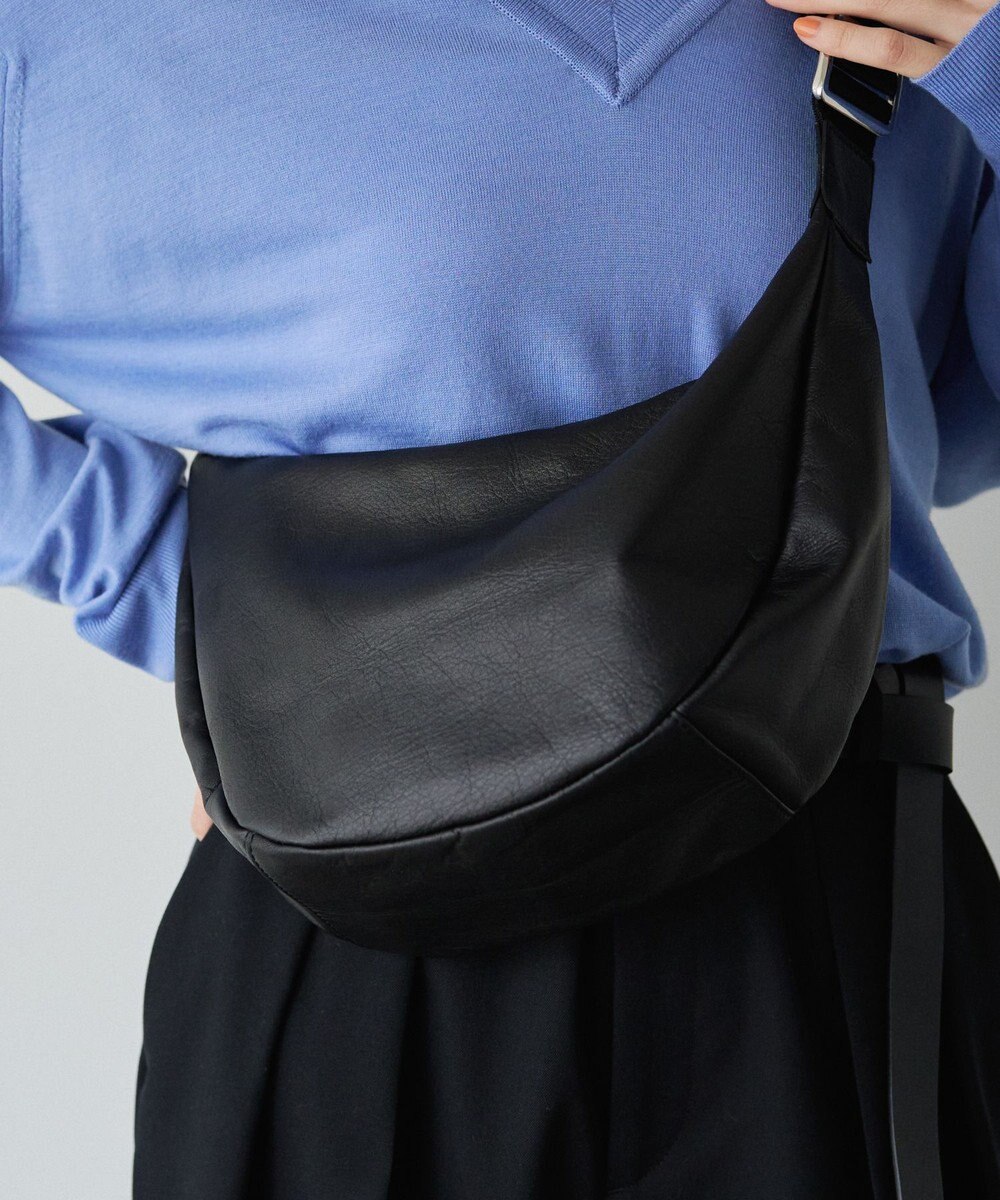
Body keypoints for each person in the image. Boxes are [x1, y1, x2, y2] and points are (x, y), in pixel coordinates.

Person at [2, 1, 999, 1195]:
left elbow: (958, 412)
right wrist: (211, 616)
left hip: (837, 889)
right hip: (365, 901)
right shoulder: (74, 33)